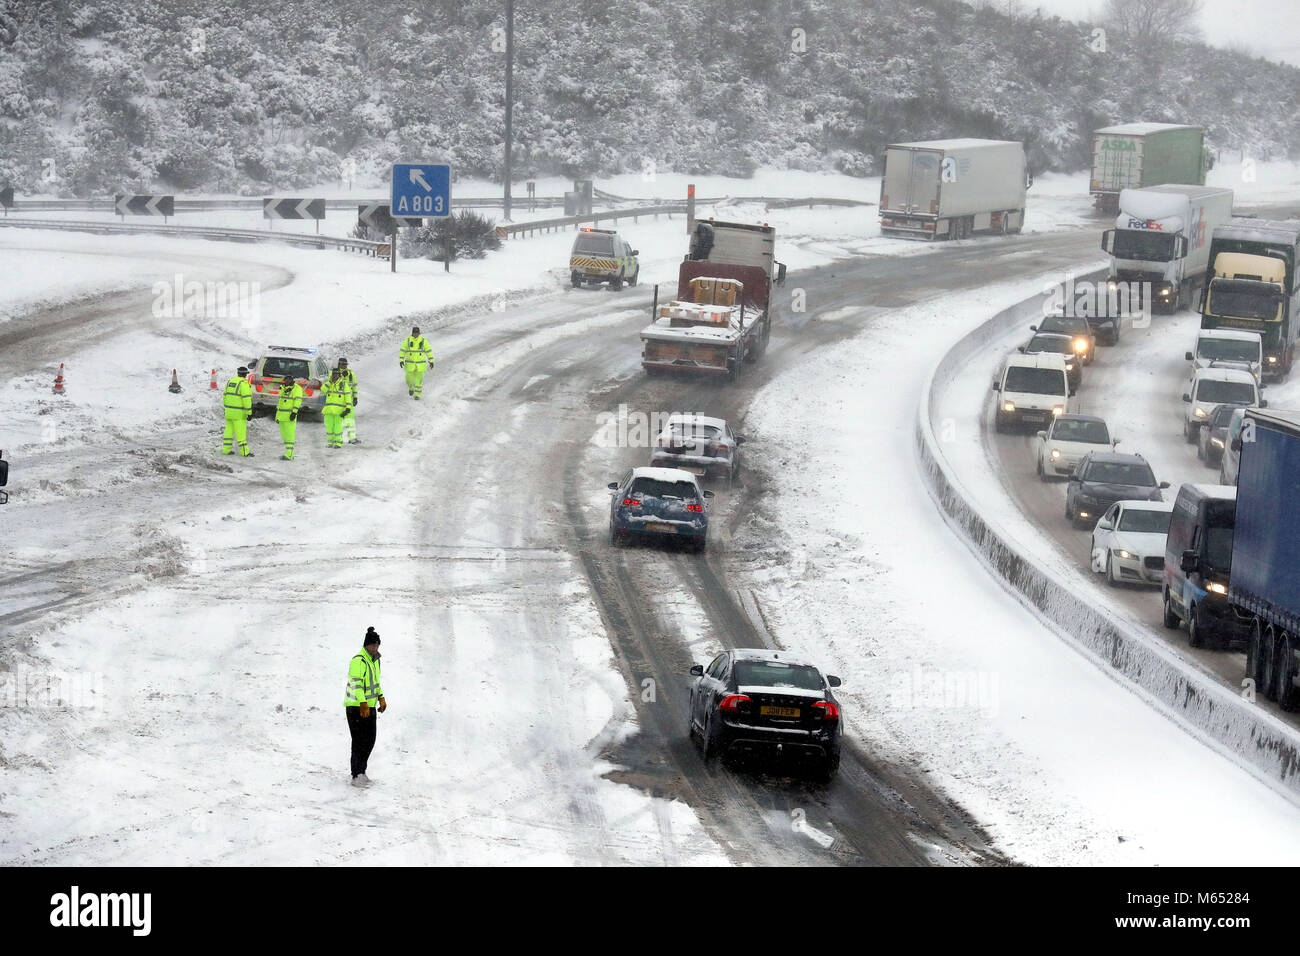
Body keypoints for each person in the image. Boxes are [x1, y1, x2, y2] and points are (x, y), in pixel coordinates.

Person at [344, 627, 386, 787]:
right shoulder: (358, 660)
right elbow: (356, 683)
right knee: (359, 741)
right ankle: (357, 774)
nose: (376, 648)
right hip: (356, 707)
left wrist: (381, 698)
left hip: (369, 706)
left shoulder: (375, 660)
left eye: (377, 645)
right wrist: (362, 702)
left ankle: (362, 771)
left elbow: (375, 683)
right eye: (373, 645)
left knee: (370, 740)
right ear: (367, 645)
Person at [221, 366, 254, 457]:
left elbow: (225, 396)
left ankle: (226, 450)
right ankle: (244, 452)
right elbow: (247, 399)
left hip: (229, 412)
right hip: (239, 413)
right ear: (245, 374)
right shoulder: (243, 383)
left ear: (238, 373)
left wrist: (228, 407)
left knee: (229, 431)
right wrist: (249, 412)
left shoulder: (230, 381)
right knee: (241, 433)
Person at [275, 373, 304, 460]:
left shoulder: (297, 389)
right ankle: (288, 453)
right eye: (286, 379)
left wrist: (294, 412)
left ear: (292, 380)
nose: (287, 381)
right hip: (282, 416)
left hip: (289, 416)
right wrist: (277, 416)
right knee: (285, 436)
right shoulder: (283, 389)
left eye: (289, 379)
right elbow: (280, 403)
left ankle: (289, 454)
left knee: (290, 435)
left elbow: (297, 401)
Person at [400, 326, 433, 400]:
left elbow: (428, 351)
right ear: (412, 333)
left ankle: (417, 394)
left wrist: (431, 361)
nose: (416, 334)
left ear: (419, 333)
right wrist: (401, 360)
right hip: (410, 365)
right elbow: (402, 350)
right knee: (409, 380)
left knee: (419, 381)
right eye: (415, 333)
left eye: (417, 333)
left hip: (420, 365)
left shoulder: (423, 341)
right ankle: (411, 388)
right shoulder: (407, 340)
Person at [322, 366, 351, 449]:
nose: (335, 376)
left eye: (337, 374)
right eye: (334, 374)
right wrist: (329, 382)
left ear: (339, 375)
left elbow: (348, 396)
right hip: (328, 410)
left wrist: (348, 408)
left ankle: (338, 442)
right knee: (329, 427)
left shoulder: (344, 385)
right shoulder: (329, 384)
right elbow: (323, 390)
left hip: (339, 411)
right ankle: (330, 442)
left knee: (338, 427)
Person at [337, 357, 360, 445]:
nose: (344, 366)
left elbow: (354, 386)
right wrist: (342, 375)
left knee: (350, 420)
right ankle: (338, 438)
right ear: (339, 364)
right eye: (343, 365)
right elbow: (334, 384)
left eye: (345, 365)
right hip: (338, 402)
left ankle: (352, 438)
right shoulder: (334, 373)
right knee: (338, 420)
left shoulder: (351, 373)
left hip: (348, 401)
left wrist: (355, 397)